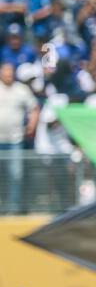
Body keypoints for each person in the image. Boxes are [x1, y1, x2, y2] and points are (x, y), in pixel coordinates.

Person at [0, 63, 39, 214]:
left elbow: (34, 108)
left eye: (11, 71)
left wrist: (31, 125)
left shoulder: (21, 90)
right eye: (6, 71)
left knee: (15, 175)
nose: (8, 74)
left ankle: (13, 208)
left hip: (15, 141)